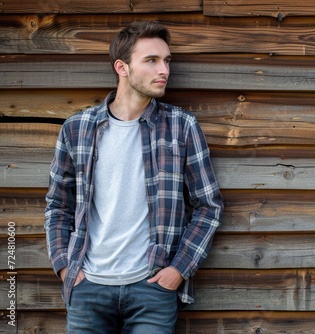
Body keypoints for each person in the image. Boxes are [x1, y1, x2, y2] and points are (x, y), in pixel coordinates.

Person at [44, 21, 224, 333]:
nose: (164, 70)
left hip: (152, 289)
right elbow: (57, 206)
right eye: (151, 60)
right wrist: (64, 266)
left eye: (166, 61)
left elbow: (209, 206)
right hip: (87, 288)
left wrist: (178, 270)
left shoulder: (181, 126)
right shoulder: (77, 129)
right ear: (122, 67)